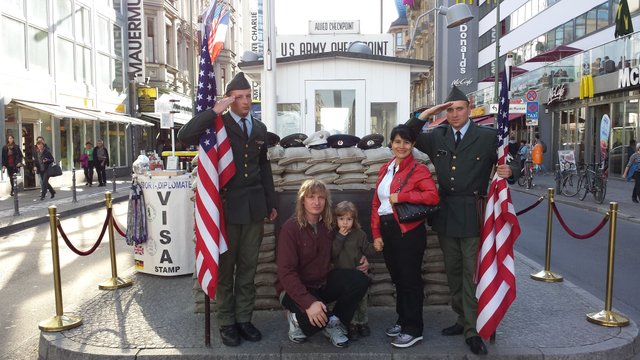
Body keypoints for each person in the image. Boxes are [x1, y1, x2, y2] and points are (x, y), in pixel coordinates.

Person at [408, 85, 517, 356]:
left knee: (471, 274)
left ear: (469, 109)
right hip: (445, 214)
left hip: (473, 213)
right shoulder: (437, 136)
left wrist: (510, 170)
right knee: (453, 273)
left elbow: (514, 162)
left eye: (459, 109)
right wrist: (429, 112)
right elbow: (407, 134)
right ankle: (462, 318)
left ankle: (473, 329)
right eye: (450, 110)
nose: (454, 114)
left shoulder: (487, 136)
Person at [177, 72, 277, 347]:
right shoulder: (216, 126)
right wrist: (213, 111)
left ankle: (244, 319)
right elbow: (185, 135)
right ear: (230, 99)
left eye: (248, 97)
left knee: (248, 268)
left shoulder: (258, 128)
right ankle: (226, 322)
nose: (246, 102)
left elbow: (264, 167)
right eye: (240, 97)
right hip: (227, 208)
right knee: (225, 268)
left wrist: (271, 203)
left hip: (254, 207)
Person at [275, 179, 369, 348]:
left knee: (360, 280)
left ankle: (333, 321)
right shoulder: (290, 228)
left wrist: (362, 257)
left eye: (321, 197)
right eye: (311, 197)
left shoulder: (328, 226)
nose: (316, 202)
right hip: (293, 289)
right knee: (312, 323)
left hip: (321, 283)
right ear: (303, 200)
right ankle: (297, 319)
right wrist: (308, 303)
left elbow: (342, 245)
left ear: (326, 201)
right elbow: (286, 273)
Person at [371, 124, 440, 348]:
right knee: (398, 279)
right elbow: (376, 204)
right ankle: (403, 321)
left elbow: (432, 197)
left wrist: (401, 196)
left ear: (413, 145)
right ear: (391, 143)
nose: (402, 146)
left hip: (409, 232)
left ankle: (414, 328)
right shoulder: (385, 169)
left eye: (407, 142)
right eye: (398, 141)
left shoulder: (418, 169)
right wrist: (376, 234)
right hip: (388, 230)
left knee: (410, 280)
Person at [331, 200, 376, 341]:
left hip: (358, 274)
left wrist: (376, 246)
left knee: (361, 301)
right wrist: (340, 237)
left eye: (349, 219)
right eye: (341, 219)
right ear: (336, 219)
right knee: (347, 301)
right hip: (342, 276)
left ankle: (362, 323)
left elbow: (367, 249)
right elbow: (333, 254)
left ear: (354, 220)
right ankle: (350, 324)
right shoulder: (333, 235)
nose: (345, 223)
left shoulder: (359, 234)